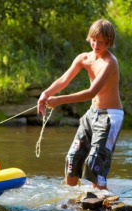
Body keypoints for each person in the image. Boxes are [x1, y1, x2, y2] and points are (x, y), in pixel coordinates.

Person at [37, 19, 124, 190]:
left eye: (101, 42)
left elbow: (91, 92)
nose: (96, 44)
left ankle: (102, 205)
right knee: (72, 159)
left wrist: (59, 100)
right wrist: (46, 94)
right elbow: (64, 80)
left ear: (108, 42)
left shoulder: (110, 62)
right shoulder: (83, 58)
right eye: (93, 39)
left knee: (94, 165)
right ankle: (71, 203)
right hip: (92, 114)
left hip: (110, 116)